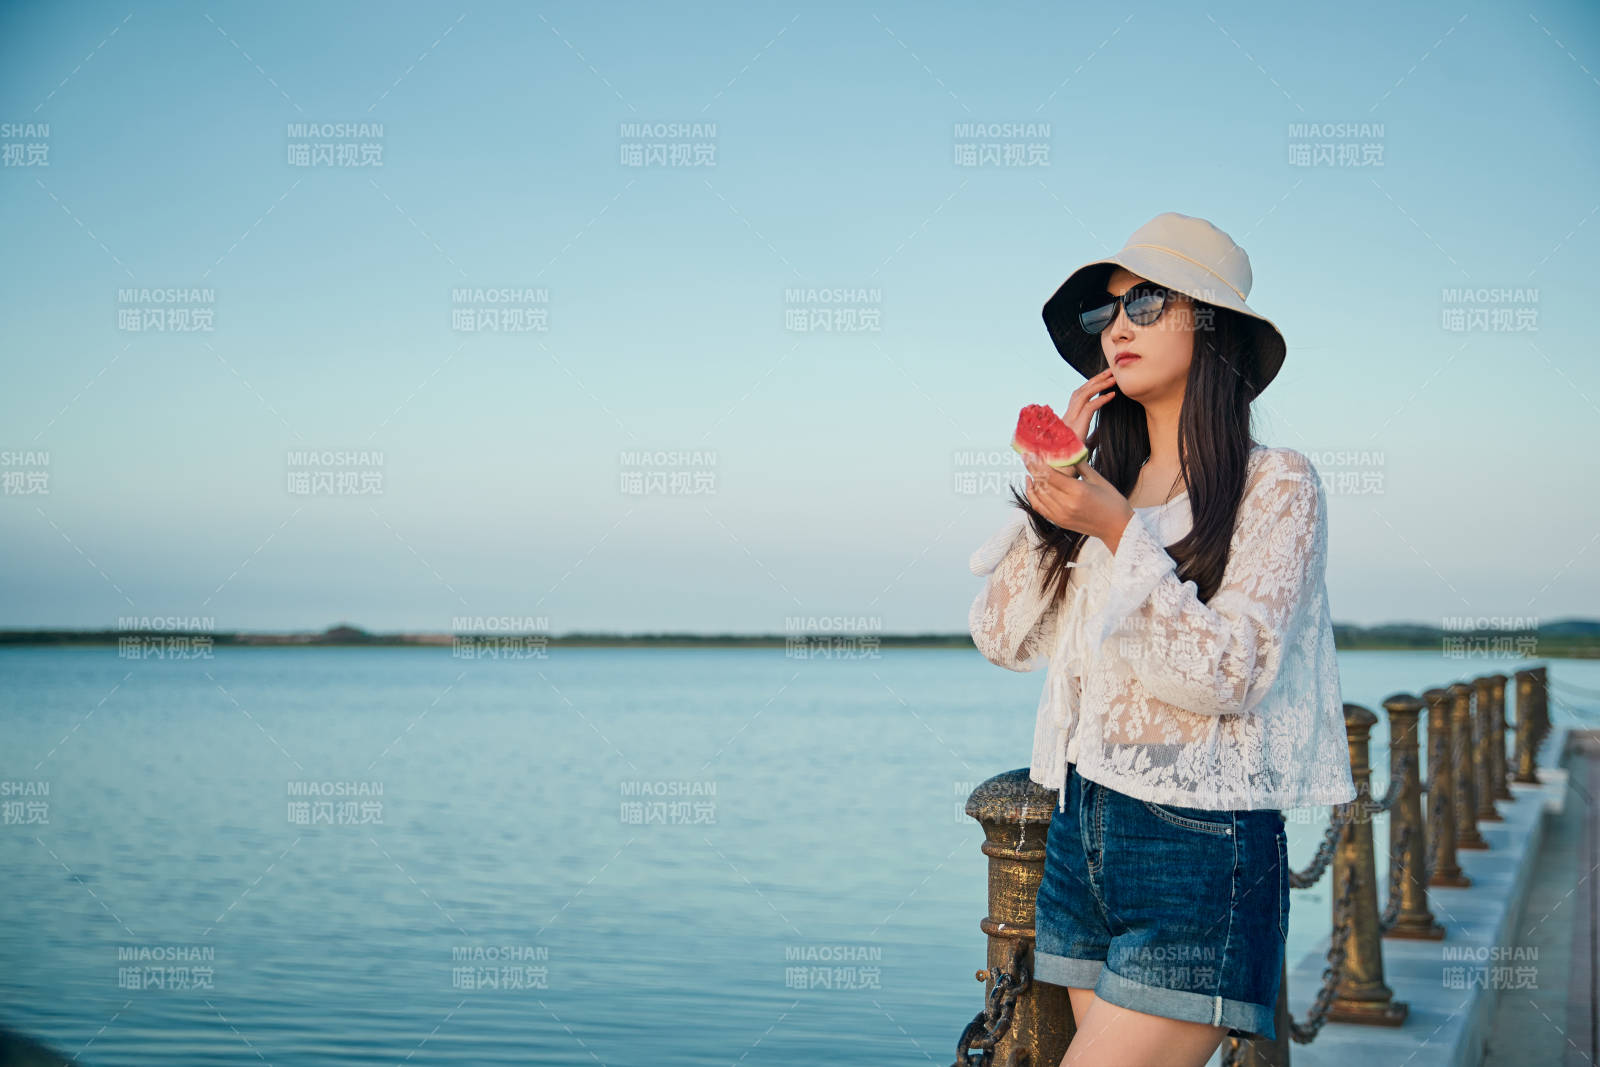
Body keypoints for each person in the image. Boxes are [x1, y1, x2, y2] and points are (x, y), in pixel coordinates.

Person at [967, 212, 1357, 1067]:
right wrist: (1058, 493)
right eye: (1105, 313)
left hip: (1202, 852)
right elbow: (999, 636)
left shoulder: (1277, 483)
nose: (1120, 327)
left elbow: (1233, 672)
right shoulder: (1099, 481)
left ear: (1214, 326)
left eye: (1145, 300)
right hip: (1079, 836)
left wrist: (1115, 530)